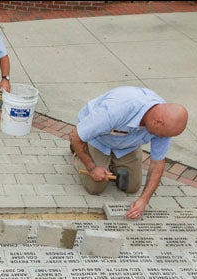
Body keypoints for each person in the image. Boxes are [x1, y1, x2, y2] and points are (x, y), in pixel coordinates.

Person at [70, 86, 188, 220]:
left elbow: (157, 164)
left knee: (132, 187)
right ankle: (78, 154)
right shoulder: (115, 110)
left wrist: (143, 201)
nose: (162, 138)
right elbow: (76, 135)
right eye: (161, 135)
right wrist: (92, 168)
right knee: (95, 187)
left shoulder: (166, 124)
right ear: (157, 122)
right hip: (98, 139)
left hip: (128, 145)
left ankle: (112, 162)